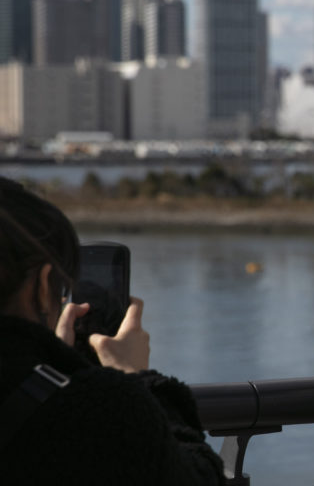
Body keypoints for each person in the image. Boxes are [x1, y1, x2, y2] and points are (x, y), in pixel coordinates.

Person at [0, 176, 224, 485]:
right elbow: (198, 477)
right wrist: (138, 379)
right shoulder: (100, 408)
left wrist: (53, 363)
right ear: (41, 286)